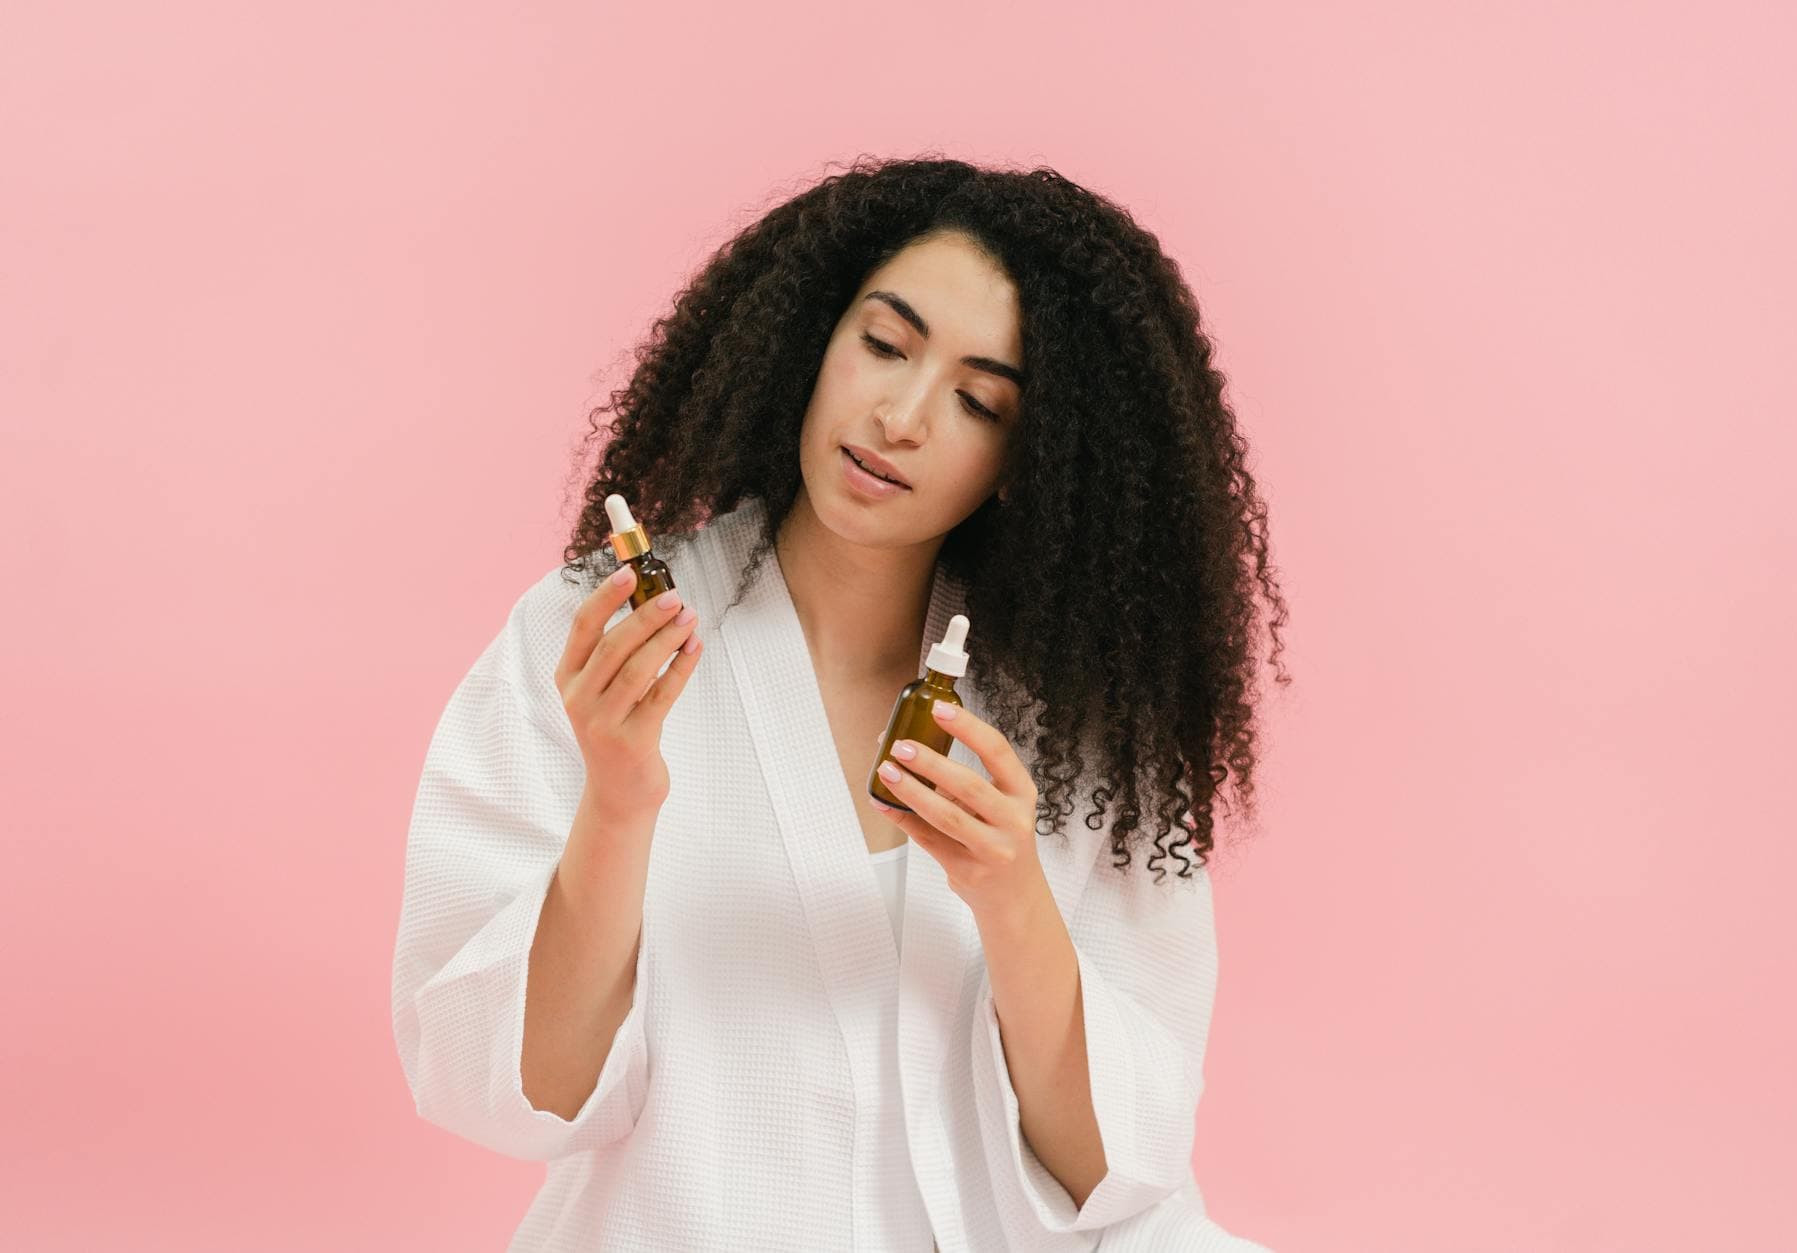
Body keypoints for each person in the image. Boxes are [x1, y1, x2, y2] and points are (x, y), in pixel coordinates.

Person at [391, 154, 1289, 1252]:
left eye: (976, 399)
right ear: (811, 337)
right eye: (880, 343)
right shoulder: (597, 633)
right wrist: (618, 803)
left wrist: (1008, 893)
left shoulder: (1073, 715)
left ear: (1027, 459)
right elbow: (518, 1092)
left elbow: (1114, 1175)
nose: (900, 415)